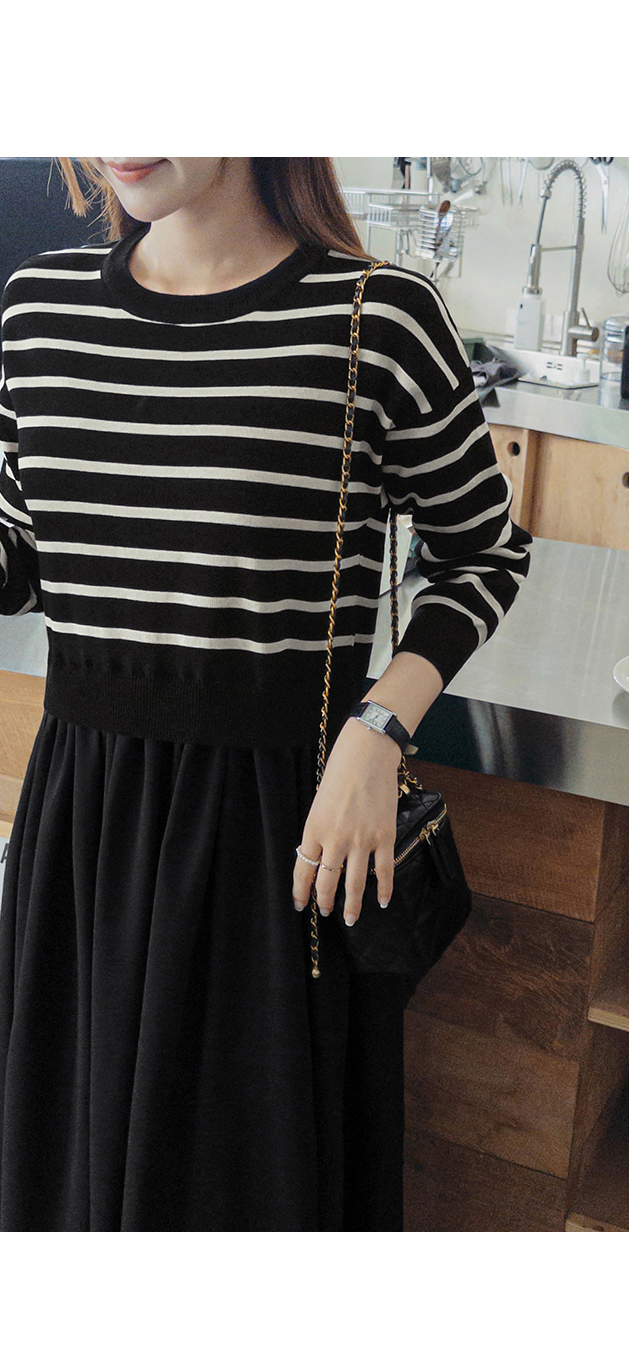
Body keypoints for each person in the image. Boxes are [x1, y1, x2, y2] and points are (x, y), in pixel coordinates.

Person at [0, 157, 532, 1231]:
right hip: (80, 827)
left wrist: (377, 729)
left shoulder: (377, 319)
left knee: (234, 1197)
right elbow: (23, 559)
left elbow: (482, 554)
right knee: (62, 1183)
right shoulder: (36, 310)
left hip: (273, 837)